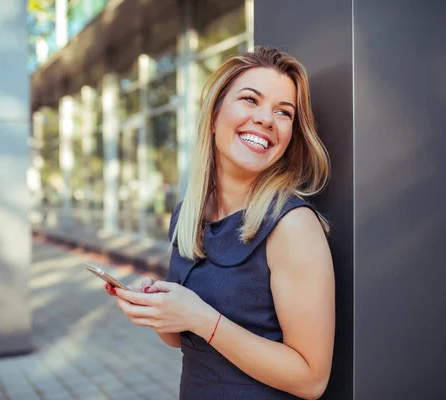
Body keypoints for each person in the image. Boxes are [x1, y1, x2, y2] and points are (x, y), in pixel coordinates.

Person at [106, 45, 335, 400]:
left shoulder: (293, 226)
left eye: (283, 112)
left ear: (290, 136)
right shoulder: (188, 215)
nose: (265, 119)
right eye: (250, 99)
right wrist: (155, 306)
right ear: (213, 116)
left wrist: (202, 318)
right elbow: (178, 338)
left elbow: (311, 380)